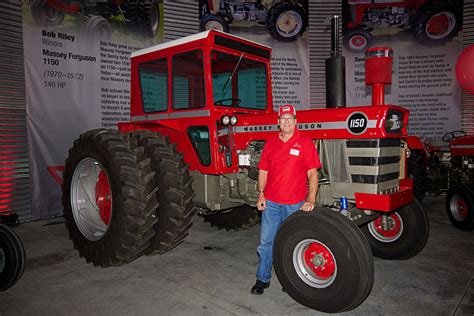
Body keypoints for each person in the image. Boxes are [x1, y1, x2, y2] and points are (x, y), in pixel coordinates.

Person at [251, 104, 321, 295]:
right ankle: (262, 279)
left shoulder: (305, 142)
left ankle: (290, 280)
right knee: (266, 243)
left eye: (290, 118)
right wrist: (261, 193)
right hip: (271, 203)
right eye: (283, 118)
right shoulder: (271, 142)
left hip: (295, 204)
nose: (287, 121)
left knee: (292, 242)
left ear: (296, 121)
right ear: (278, 122)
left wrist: (311, 199)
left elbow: (313, 174)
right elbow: (263, 170)